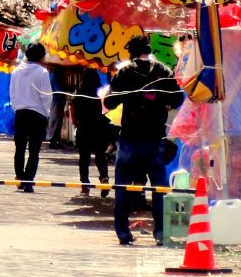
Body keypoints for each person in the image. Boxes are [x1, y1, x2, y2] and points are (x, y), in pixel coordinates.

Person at [104, 34, 184, 246]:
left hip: (129, 138)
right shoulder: (164, 71)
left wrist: (129, 96)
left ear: (132, 52)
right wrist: (158, 99)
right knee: (158, 188)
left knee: (122, 186)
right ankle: (160, 232)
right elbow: (177, 99)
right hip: (155, 139)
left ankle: (123, 232)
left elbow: (110, 101)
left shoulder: (125, 72)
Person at [9, 42, 52, 192]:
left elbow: (12, 94)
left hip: (20, 113)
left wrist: (17, 108)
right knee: (34, 150)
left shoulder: (16, 71)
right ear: (40, 56)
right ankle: (28, 180)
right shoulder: (42, 72)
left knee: (19, 148)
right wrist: (46, 113)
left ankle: (20, 177)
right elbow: (46, 96)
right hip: (37, 114)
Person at [71, 68, 110, 196]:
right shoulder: (101, 93)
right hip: (99, 127)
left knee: (84, 158)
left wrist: (76, 123)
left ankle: (85, 184)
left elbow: (74, 114)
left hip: (84, 128)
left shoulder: (79, 94)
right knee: (100, 155)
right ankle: (104, 178)